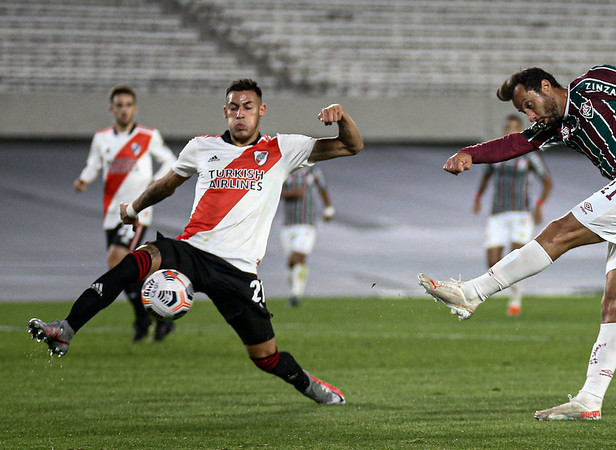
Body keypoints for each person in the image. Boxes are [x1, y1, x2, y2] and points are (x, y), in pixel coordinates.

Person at [29, 78, 364, 405]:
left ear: (262, 110)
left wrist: (342, 117)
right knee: (133, 262)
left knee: (266, 357)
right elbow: (167, 184)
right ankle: (66, 329)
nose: (240, 114)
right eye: (233, 107)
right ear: (224, 111)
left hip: (238, 270)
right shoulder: (202, 147)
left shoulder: (282, 148)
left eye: (248, 107)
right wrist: (132, 208)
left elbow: (352, 145)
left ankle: (308, 386)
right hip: (192, 249)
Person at [418, 65, 616, 420]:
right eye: (522, 111)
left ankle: (473, 293)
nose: (529, 114)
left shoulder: (594, 81)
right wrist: (471, 153)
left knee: (559, 232)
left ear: (545, 86)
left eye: (529, 104)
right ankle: (591, 399)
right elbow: (517, 143)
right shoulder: (556, 126)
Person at [73, 84, 177, 342]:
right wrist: (84, 179)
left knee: (116, 261)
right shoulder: (102, 138)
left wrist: (153, 183)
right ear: (112, 109)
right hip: (111, 211)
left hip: (136, 210)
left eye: (128, 105)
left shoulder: (147, 135)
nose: (123, 110)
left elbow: (169, 159)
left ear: (135, 108)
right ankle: (155, 318)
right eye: (119, 105)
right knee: (128, 270)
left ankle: (145, 319)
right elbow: (94, 164)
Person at [473, 115, 552, 316]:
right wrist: (478, 197)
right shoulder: (496, 153)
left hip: (521, 212)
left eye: (515, 128)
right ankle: (504, 290)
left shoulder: (529, 155)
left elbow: (547, 181)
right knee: (492, 261)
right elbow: (486, 176)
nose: (511, 131)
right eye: (508, 128)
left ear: (520, 130)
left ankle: (515, 299)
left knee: (515, 259)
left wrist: (539, 205)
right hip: (497, 212)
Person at [280, 165, 335, 308]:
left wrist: (328, 208)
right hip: (288, 223)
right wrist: (291, 193)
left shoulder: (312, 170)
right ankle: (294, 292)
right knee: (291, 262)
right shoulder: (286, 168)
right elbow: (275, 191)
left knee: (299, 257)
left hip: (306, 223)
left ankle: (296, 295)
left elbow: (322, 187)